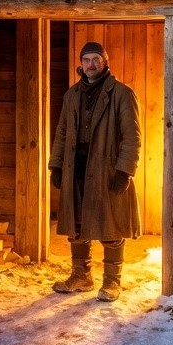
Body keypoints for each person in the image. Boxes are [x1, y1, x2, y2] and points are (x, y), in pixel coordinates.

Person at [48, 41, 142, 301]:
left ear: (105, 62)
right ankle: (81, 276)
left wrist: (125, 171)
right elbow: (62, 132)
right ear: (81, 63)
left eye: (95, 59)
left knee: (111, 228)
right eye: (86, 59)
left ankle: (112, 282)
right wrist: (56, 164)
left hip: (106, 171)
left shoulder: (122, 93)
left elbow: (132, 137)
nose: (90, 64)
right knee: (76, 225)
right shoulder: (72, 95)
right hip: (76, 169)